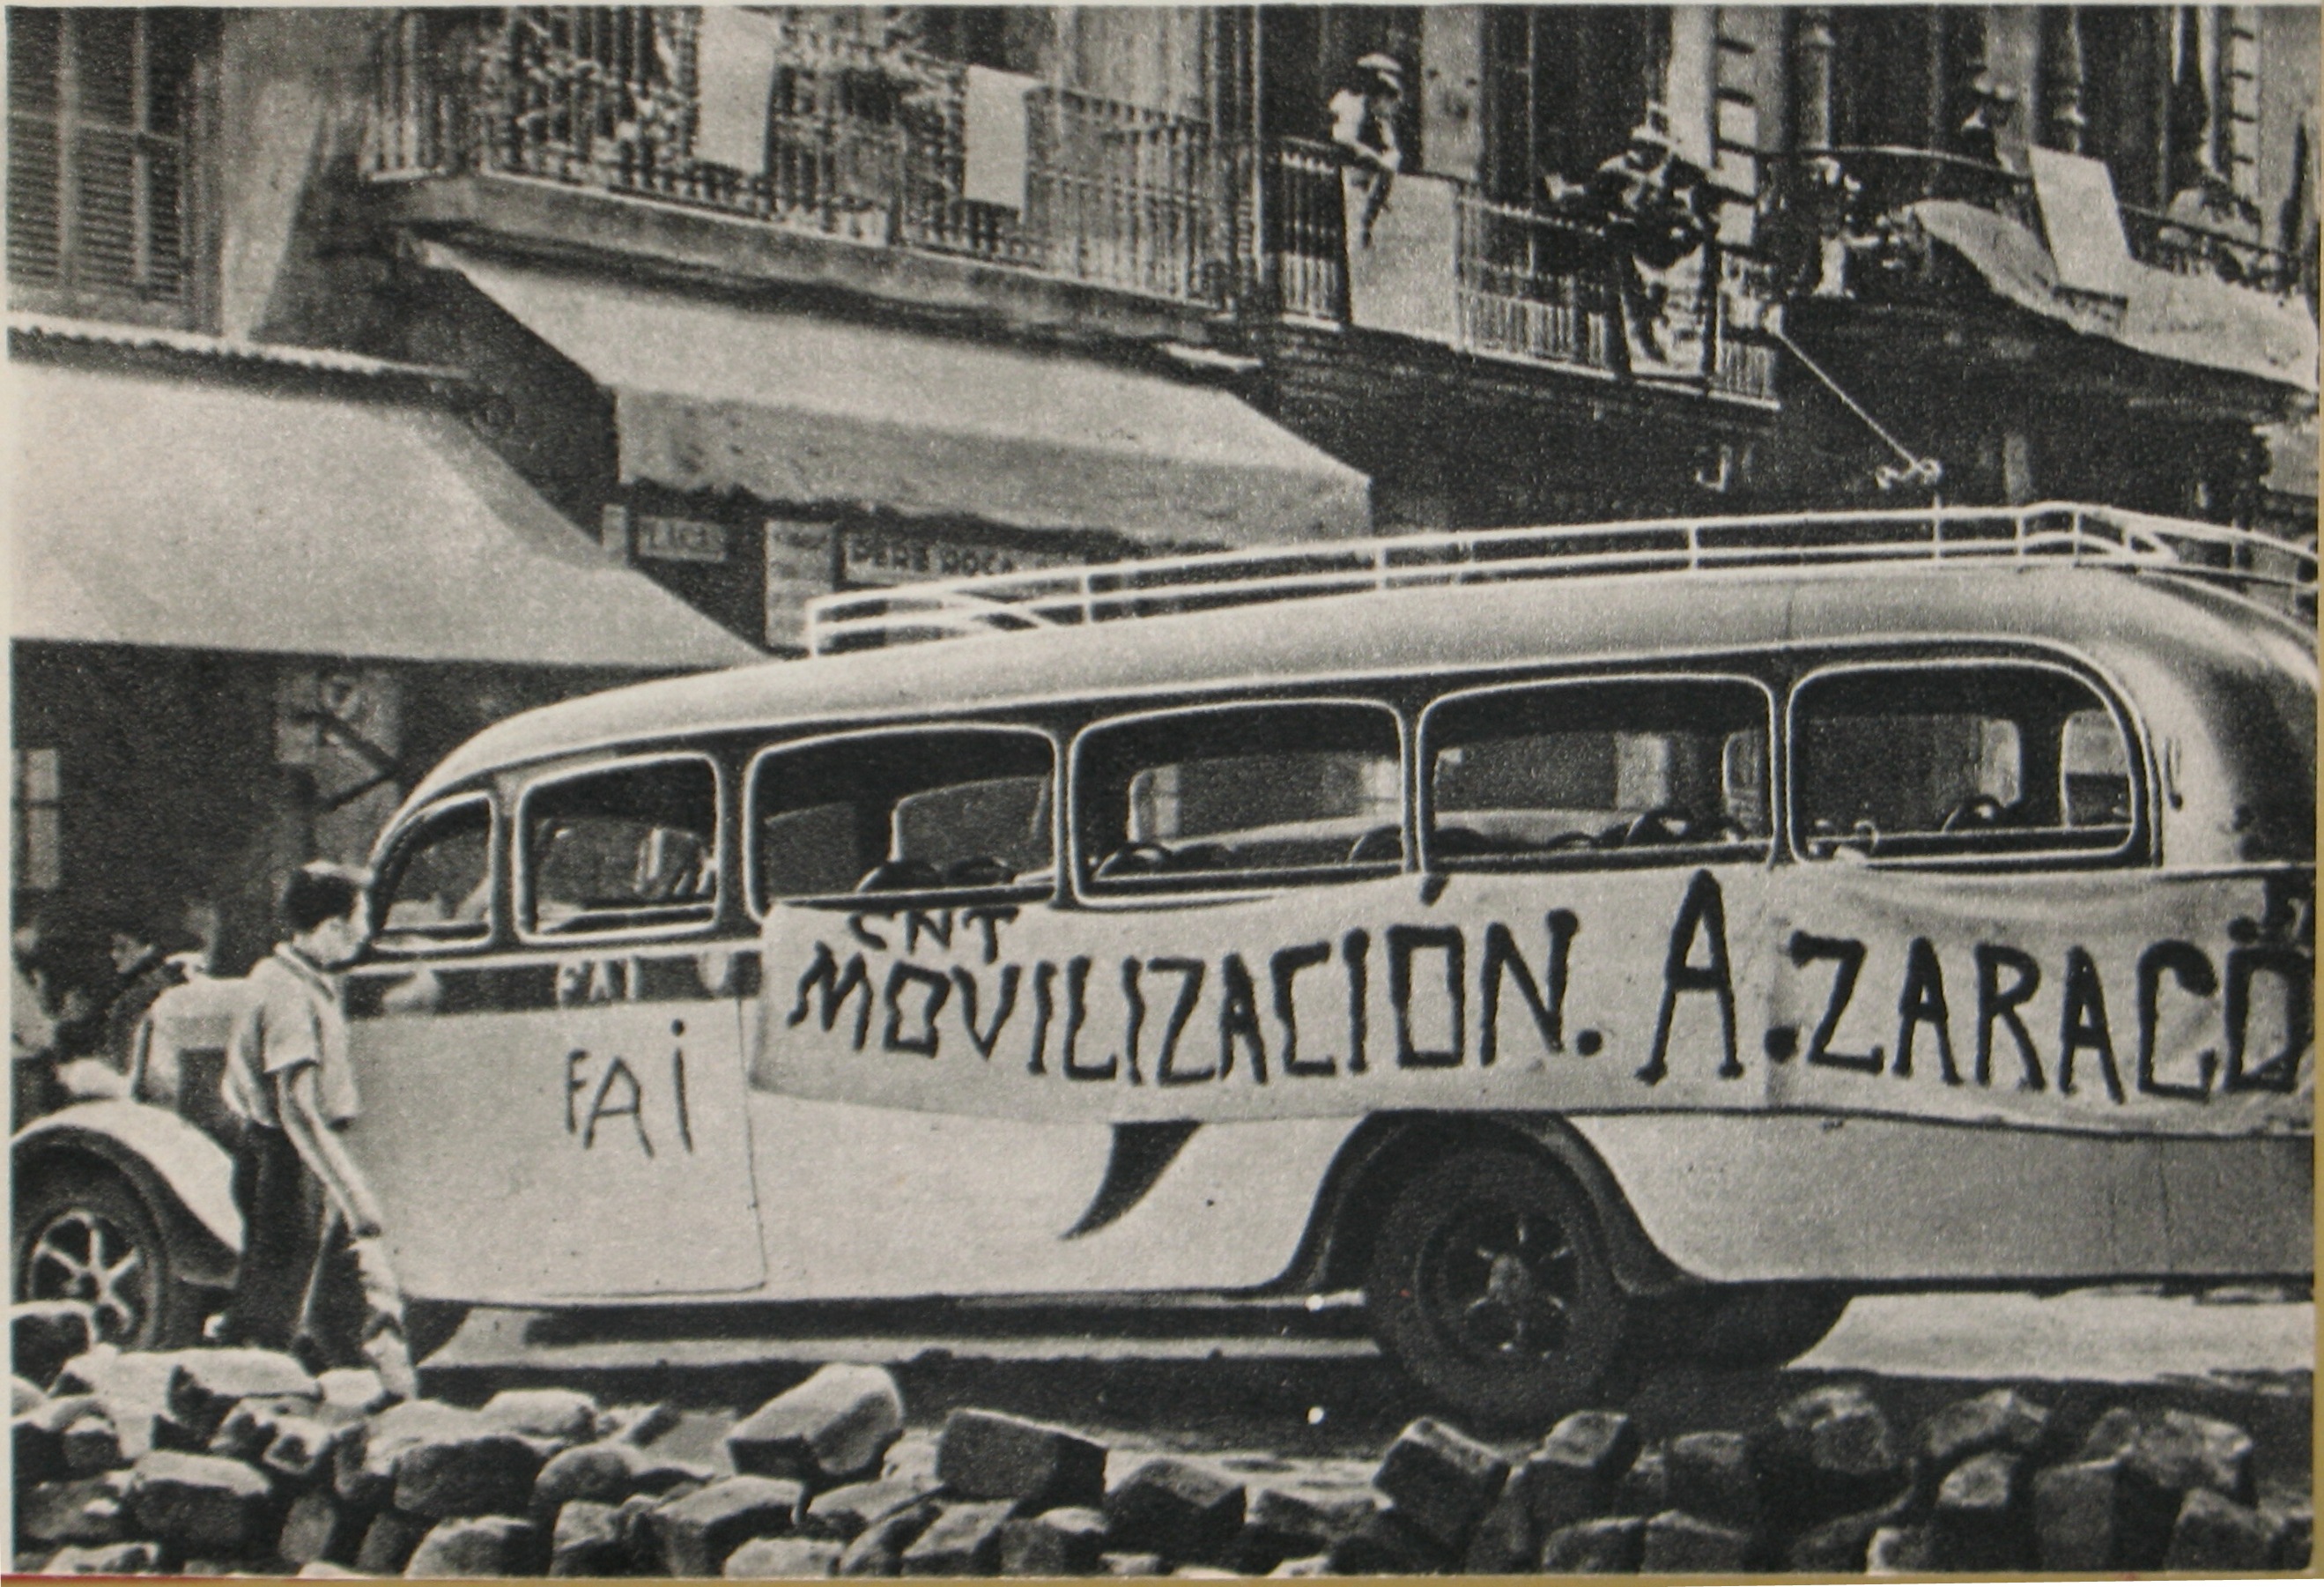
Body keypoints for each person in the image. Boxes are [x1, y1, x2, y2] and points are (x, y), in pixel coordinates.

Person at [222, 863, 416, 1396]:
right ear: (331, 926)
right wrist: (352, 1192)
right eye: (361, 921)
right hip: (290, 1160)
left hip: (282, 1155)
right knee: (279, 1304)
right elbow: (298, 1107)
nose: (366, 934)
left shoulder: (289, 978)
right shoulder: (288, 993)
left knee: (323, 1300)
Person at [1329, 53, 1405, 242]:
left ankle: (1369, 218)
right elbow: (1342, 135)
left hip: (1365, 159)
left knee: (1390, 162)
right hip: (1346, 155)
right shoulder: (1347, 101)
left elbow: (1388, 144)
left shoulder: (1376, 113)